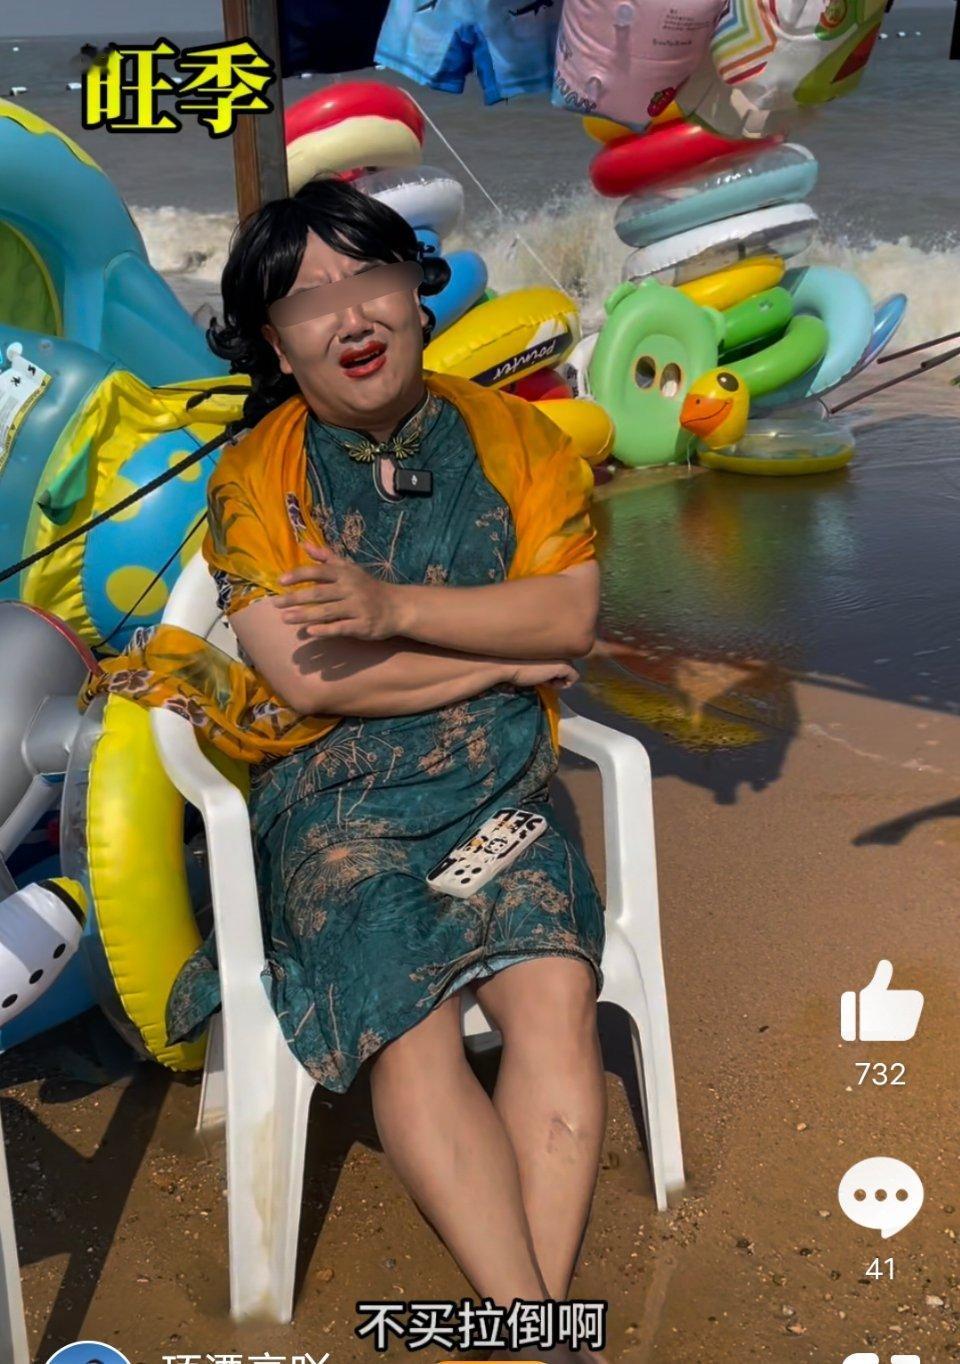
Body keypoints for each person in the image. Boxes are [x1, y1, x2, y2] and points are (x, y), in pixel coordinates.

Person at [83, 178, 610, 1362]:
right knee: (409, 1021)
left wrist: (391, 608)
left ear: (415, 293)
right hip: (333, 801)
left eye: (366, 277)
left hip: (498, 779)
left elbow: (569, 615)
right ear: (276, 345)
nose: (348, 314)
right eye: (305, 299)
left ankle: (529, 1331)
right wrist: (490, 654)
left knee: (555, 993)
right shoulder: (257, 476)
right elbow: (309, 679)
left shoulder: (518, 439)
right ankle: (546, 1338)